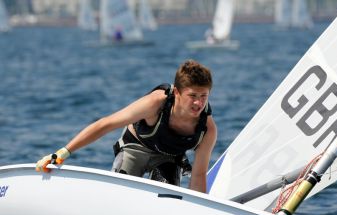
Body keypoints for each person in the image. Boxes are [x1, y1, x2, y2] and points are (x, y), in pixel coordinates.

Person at [36, 59, 217, 193]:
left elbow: (199, 175)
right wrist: (63, 152)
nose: (198, 103)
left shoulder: (207, 130)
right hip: (135, 149)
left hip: (168, 158)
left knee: (169, 199)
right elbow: (105, 124)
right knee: (120, 194)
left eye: (204, 97)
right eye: (192, 96)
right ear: (177, 92)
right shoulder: (155, 103)